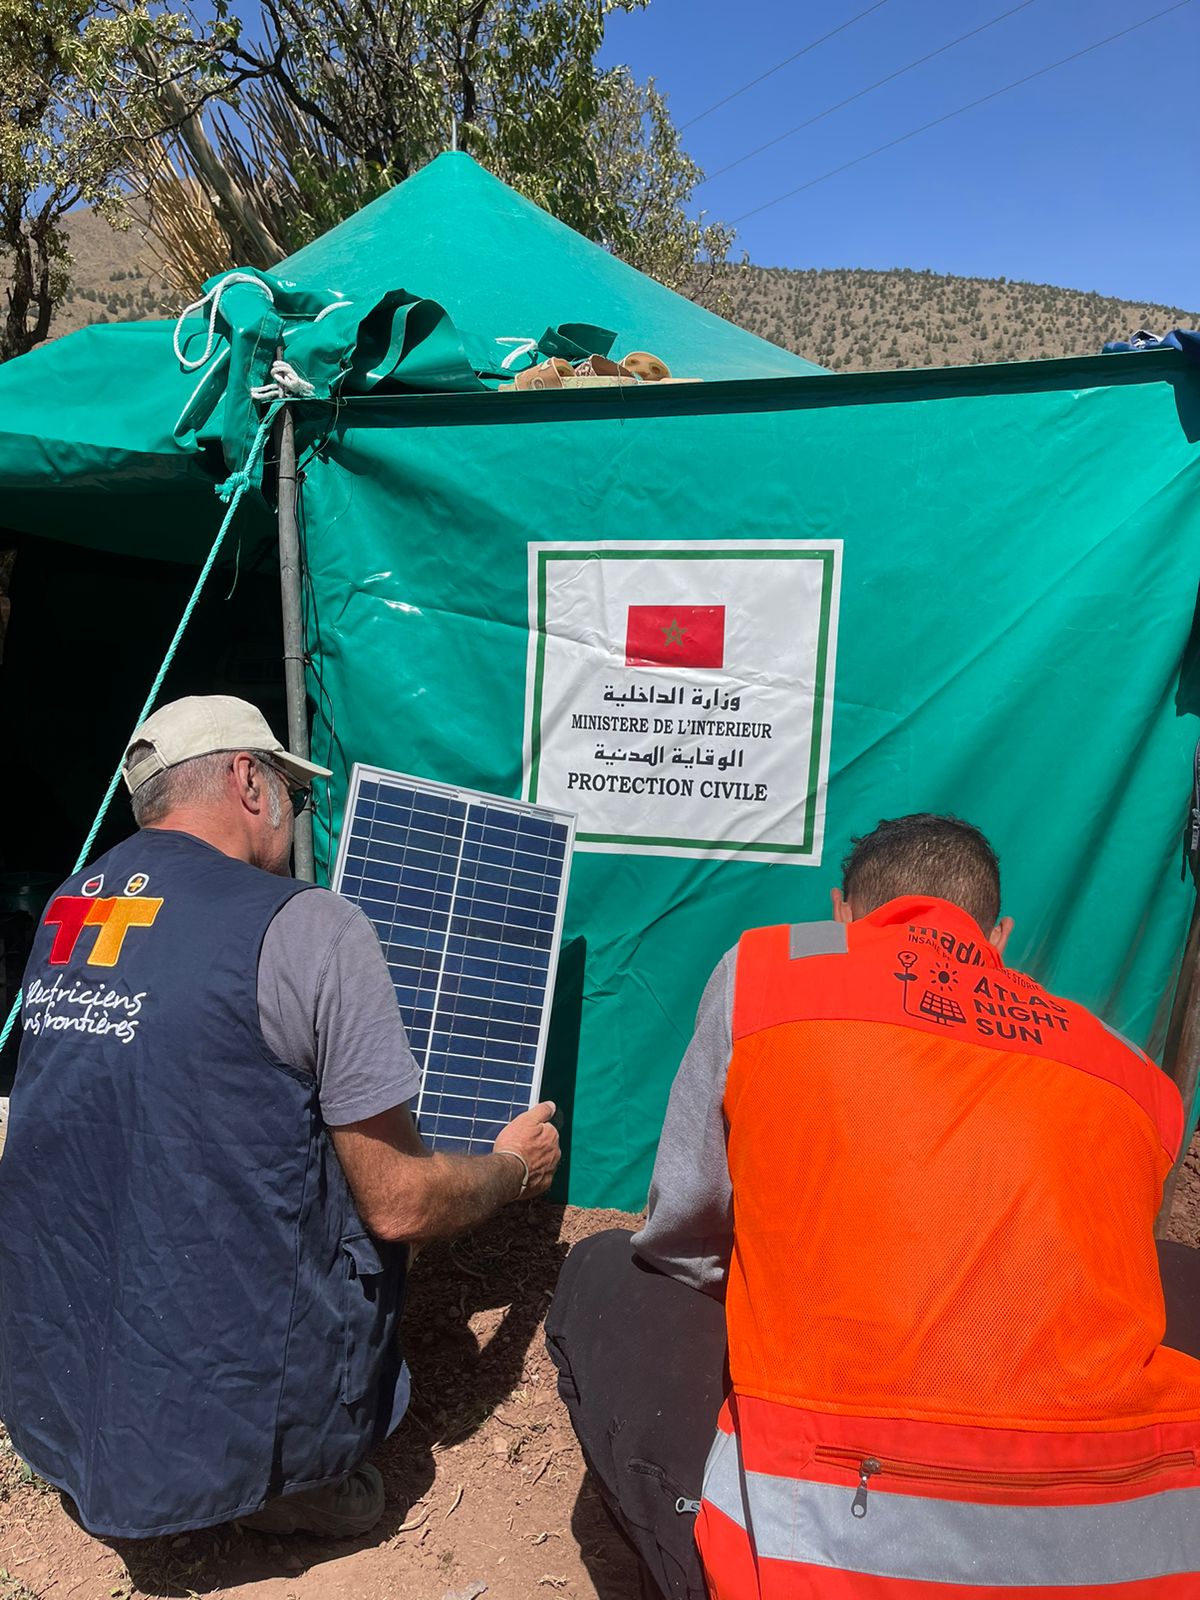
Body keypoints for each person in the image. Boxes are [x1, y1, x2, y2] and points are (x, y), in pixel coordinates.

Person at [547, 813, 1200, 1598]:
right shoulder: (1121, 1068)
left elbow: (685, 1239)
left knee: (609, 1271)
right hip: (1131, 1563)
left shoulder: (772, 970)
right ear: (998, 937)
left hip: (823, 1558)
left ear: (841, 915)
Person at [0, 695, 559, 1541]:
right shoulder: (310, 927)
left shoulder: (67, 909)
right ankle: (291, 1480)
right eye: (294, 796)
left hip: (59, 1384)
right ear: (247, 781)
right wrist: (512, 1170)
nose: (296, 817)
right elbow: (401, 1203)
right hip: (226, 1408)